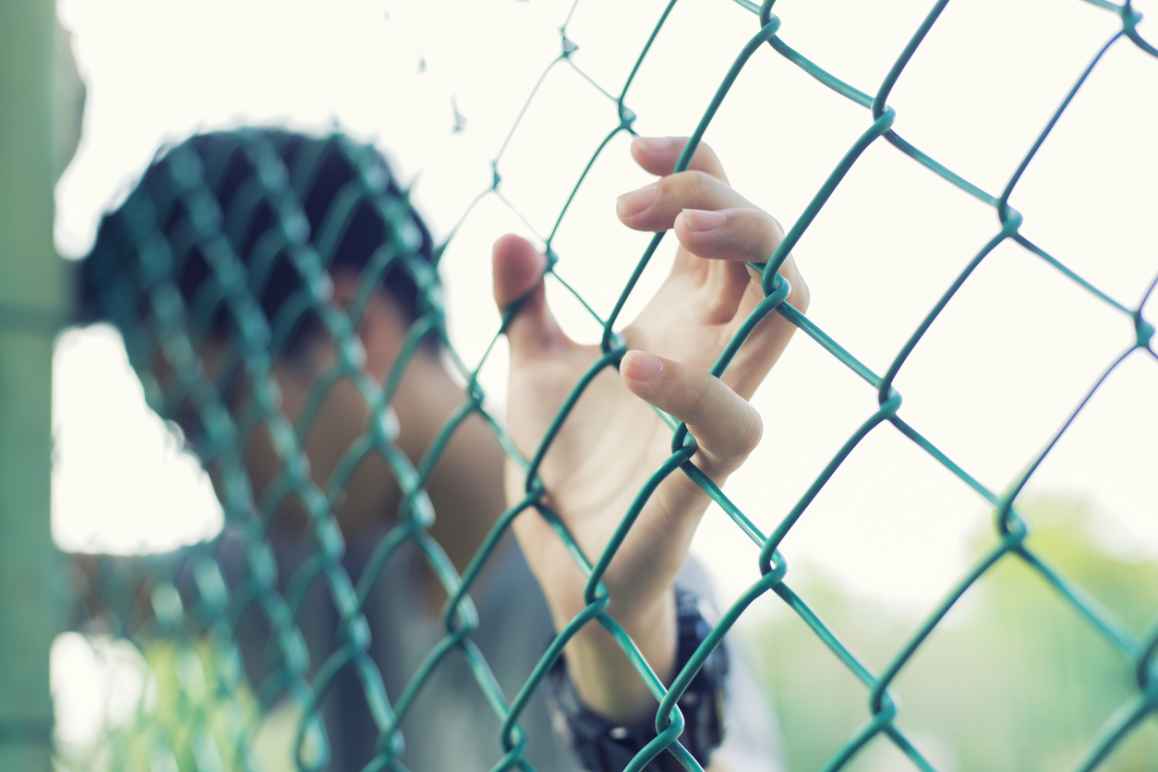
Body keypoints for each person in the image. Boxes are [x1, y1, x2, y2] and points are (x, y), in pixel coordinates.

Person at [73, 126, 808, 770]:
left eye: (214, 417)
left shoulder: (624, 547)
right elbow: (88, 590)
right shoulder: (327, 567)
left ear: (344, 329)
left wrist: (615, 629)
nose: (217, 476)